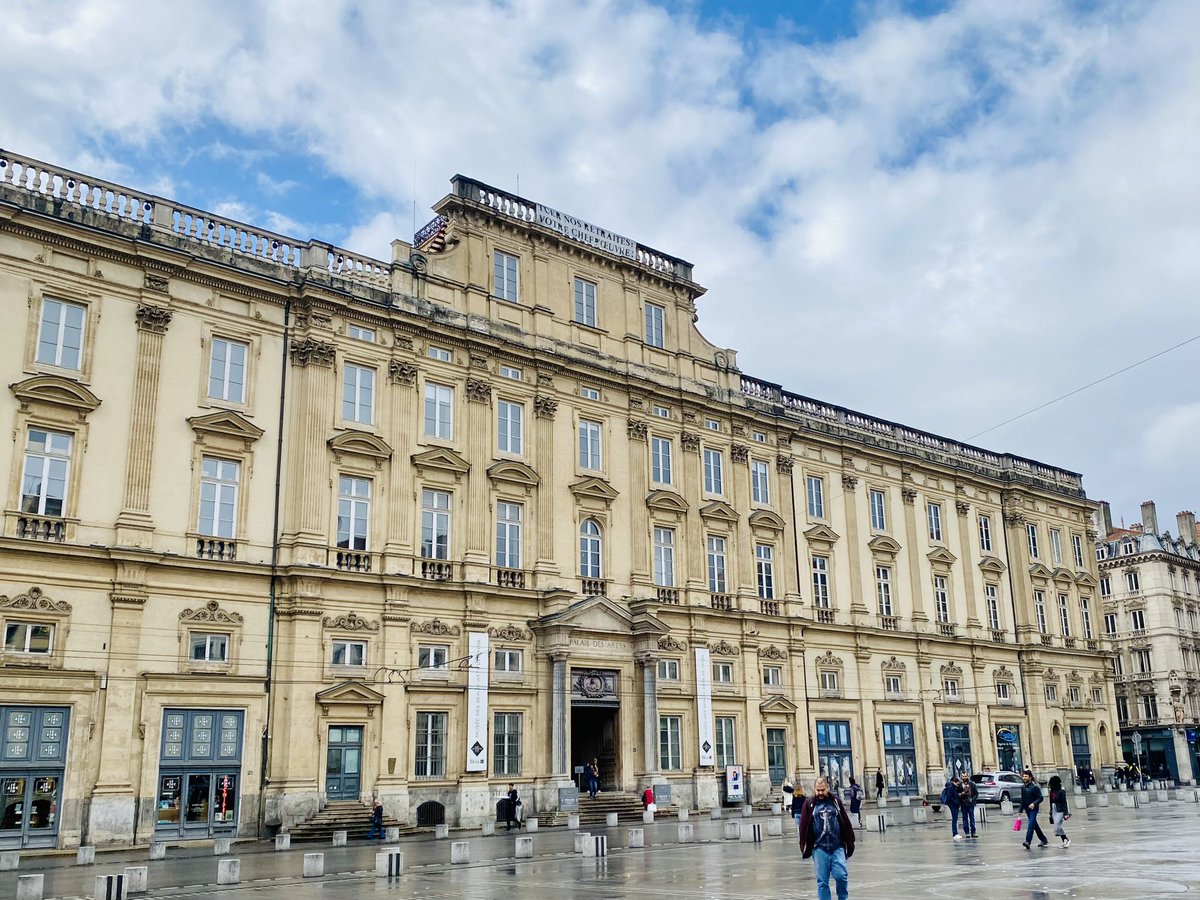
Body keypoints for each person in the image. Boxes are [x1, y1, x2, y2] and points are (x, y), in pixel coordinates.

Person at [798, 776, 855, 900]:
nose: (820, 793)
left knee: (841, 876)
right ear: (814, 789)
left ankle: (843, 898)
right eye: (817, 790)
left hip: (837, 846)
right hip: (819, 848)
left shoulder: (836, 801)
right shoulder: (809, 803)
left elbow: (844, 821)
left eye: (823, 790)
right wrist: (804, 845)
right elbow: (803, 825)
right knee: (822, 882)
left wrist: (850, 841)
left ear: (828, 788)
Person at [1019, 769, 1048, 849]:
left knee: (1031, 824)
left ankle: (1028, 841)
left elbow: (1040, 798)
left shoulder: (1034, 787)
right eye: (1023, 776)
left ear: (1030, 777)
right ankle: (1043, 839)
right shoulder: (1023, 787)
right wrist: (1020, 810)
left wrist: (1034, 804)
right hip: (1027, 809)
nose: (1024, 778)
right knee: (1035, 825)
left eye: (1026, 776)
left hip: (1034, 809)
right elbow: (1023, 799)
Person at [1047, 775, 1070, 848]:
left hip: (1060, 810)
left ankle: (1066, 839)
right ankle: (1065, 840)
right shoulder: (1051, 792)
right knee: (1058, 827)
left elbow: (1064, 803)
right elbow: (1050, 802)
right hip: (1054, 810)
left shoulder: (1061, 792)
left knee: (1057, 826)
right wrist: (1050, 811)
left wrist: (1066, 813)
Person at [940, 775, 963, 841]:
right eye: (956, 783)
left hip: (954, 805)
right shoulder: (950, 788)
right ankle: (955, 834)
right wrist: (956, 802)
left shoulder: (953, 787)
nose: (957, 784)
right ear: (953, 782)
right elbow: (950, 797)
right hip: (953, 805)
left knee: (955, 819)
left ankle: (955, 833)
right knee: (954, 819)